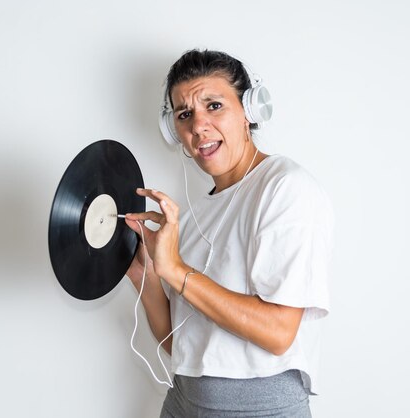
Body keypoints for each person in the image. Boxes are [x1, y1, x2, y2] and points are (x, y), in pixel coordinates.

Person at [124, 49, 334, 417]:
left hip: (256, 408)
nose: (198, 125)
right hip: (184, 400)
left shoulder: (285, 188)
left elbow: (278, 332)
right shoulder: (192, 215)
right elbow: (182, 345)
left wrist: (176, 270)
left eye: (214, 105)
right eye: (184, 114)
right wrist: (147, 274)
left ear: (249, 112)